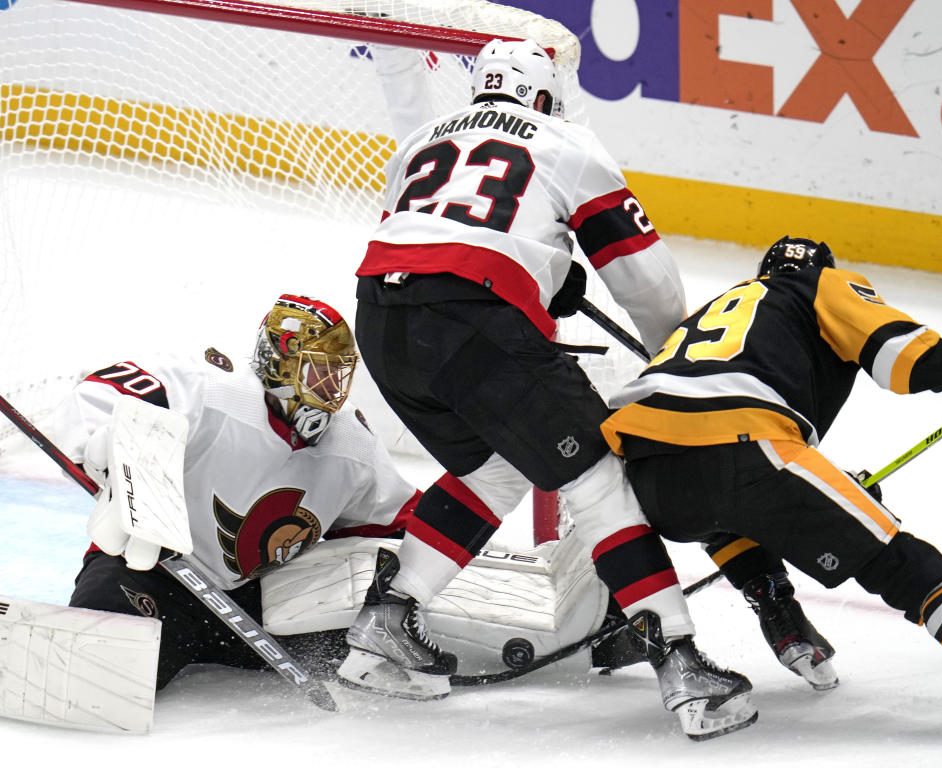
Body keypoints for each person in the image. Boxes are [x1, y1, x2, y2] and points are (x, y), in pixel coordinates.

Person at [339, 37, 756, 740]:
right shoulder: (567, 141)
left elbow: (433, 233)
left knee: (494, 465)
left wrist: (542, 271)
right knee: (596, 475)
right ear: (543, 95)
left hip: (382, 321)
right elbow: (644, 278)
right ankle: (681, 663)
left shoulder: (418, 143)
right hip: (475, 324)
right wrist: (675, 356)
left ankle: (388, 617)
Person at [601, 235, 942, 678]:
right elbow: (911, 361)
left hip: (648, 471)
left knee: (726, 507)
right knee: (903, 565)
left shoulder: (722, 305)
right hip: (747, 446)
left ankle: (779, 614)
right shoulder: (819, 284)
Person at [53, 293, 422, 690]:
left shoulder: (352, 445)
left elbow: (401, 522)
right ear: (280, 365)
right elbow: (101, 391)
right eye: (319, 372)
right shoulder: (210, 390)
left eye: (339, 374)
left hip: (252, 609)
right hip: (148, 573)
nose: (332, 389)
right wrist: (111, 457)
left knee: (363, 642)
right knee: (97, 667)